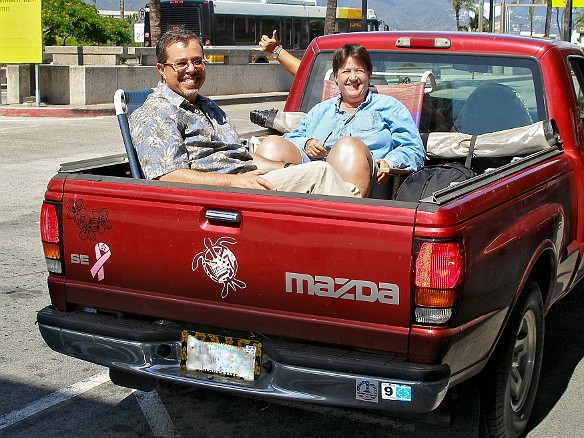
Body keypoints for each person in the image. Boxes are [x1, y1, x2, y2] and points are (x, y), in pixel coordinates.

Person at [129, 29, 360, 198]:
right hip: (223, 198)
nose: (191, 70)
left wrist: (289, 169)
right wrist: (235, 182)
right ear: (161, 69)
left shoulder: (208, 107)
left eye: (197, 61)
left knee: (349, 188)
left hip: (246, 182)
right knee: (319, 173)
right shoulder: (154, 114)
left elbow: (240, 155)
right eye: (180, 64)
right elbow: (167, 177)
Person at [255, 43, 425, 197]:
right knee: (272, 145)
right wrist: (306, 143)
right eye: (346, 71)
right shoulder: (320, 110)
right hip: (312, 178)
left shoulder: (390, 107)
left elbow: (413, 148)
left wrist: (391, 161)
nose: (353, 78)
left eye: (359, 70)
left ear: (369, 75)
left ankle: (340, 221)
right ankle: (267, 215)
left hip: (367, 185)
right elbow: (291, 139)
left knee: (347, 148)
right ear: (336, 77)